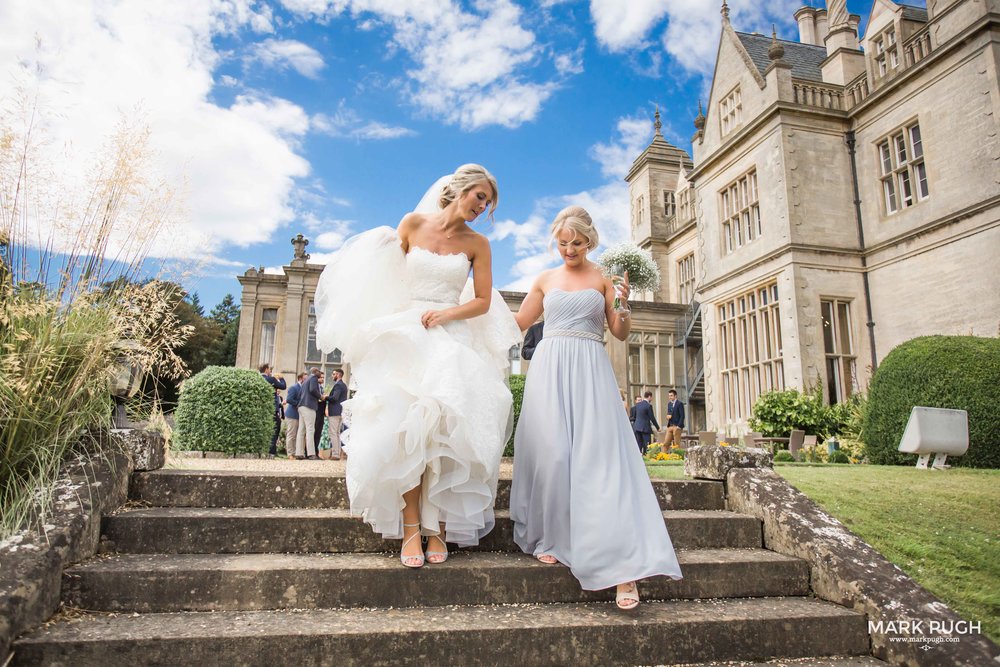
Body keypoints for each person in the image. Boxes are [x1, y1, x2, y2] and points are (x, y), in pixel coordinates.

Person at [313, 164, 520, 569]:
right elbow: (389, 279)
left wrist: (446, 315)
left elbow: (480, 301)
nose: (483, 207)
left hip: (451, 333)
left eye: (488, 203)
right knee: (405, 430)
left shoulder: (478, 244)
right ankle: (411, 527)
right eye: (480, 196)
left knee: (445, 431)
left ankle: (437, 528)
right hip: (407, 333)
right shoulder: (410, 225)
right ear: (459, 189)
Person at [509, 205, 682, 610]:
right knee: (551, 455)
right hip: (550, 371)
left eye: (577, 242)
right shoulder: (545, 279)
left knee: (598, 460)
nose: (569, 249)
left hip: (590, 369)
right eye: (563, 242)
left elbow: (620, 332)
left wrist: (624, 305)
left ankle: (623, 565)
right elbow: (518, 322)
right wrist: (469, 313)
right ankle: (551, 535)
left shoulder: (604, 277)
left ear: (590, 241)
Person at [259, 363, 286, 457]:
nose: (271, 372)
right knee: (275, 428)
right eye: (270, 370)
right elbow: (283, 386)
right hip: (271, 408)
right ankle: (271, 451)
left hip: (261, 408)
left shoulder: (257, 378)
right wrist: (281, 377)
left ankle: (262, 450)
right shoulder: (270, 379)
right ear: (266, 370)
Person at [296, 367, 323, 460]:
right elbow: (312, 390)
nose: (320, 373)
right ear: (315, 372)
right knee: (310, 429)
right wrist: (321, 396)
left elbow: (299, 394)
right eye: (319, 371)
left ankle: (299, 453)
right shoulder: (313, 378)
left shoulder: (306, 380)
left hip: (301, 406)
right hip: (309, 406)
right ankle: (311, 453)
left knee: (301, 430)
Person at [326, 369, 348, 460]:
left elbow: (335, 398)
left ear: (338, 375)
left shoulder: (338, 385)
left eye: (334, 374)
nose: (332, 376)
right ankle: (337, 453)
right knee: (337, 433)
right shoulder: (344, 385)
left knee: (333, 433)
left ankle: (335, 454)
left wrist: (326, 397)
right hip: (340, 412)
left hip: (335, 412)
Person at [283, 372, 306, 459]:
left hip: (300, 415)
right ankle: (290, 454)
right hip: (292, 414)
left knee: (298, 435)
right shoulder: (294, 387)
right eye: (305, 378)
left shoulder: (304, 388)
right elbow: (289, 399)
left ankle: (297, 453)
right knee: (291, 434)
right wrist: (299, 404)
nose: (307, 380)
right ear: (300, 378)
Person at [633, 391, 659, 455]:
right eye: (651, 397)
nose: (651, 399)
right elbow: (652, 418)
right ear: (649, 397)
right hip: (645, 427)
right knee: (647, 444)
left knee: (639, 444)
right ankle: (646, 455)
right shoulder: (648, 406)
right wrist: (657, 427)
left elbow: (635, 416)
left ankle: (639, 456)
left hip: (637, 427)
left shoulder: (637, 405)